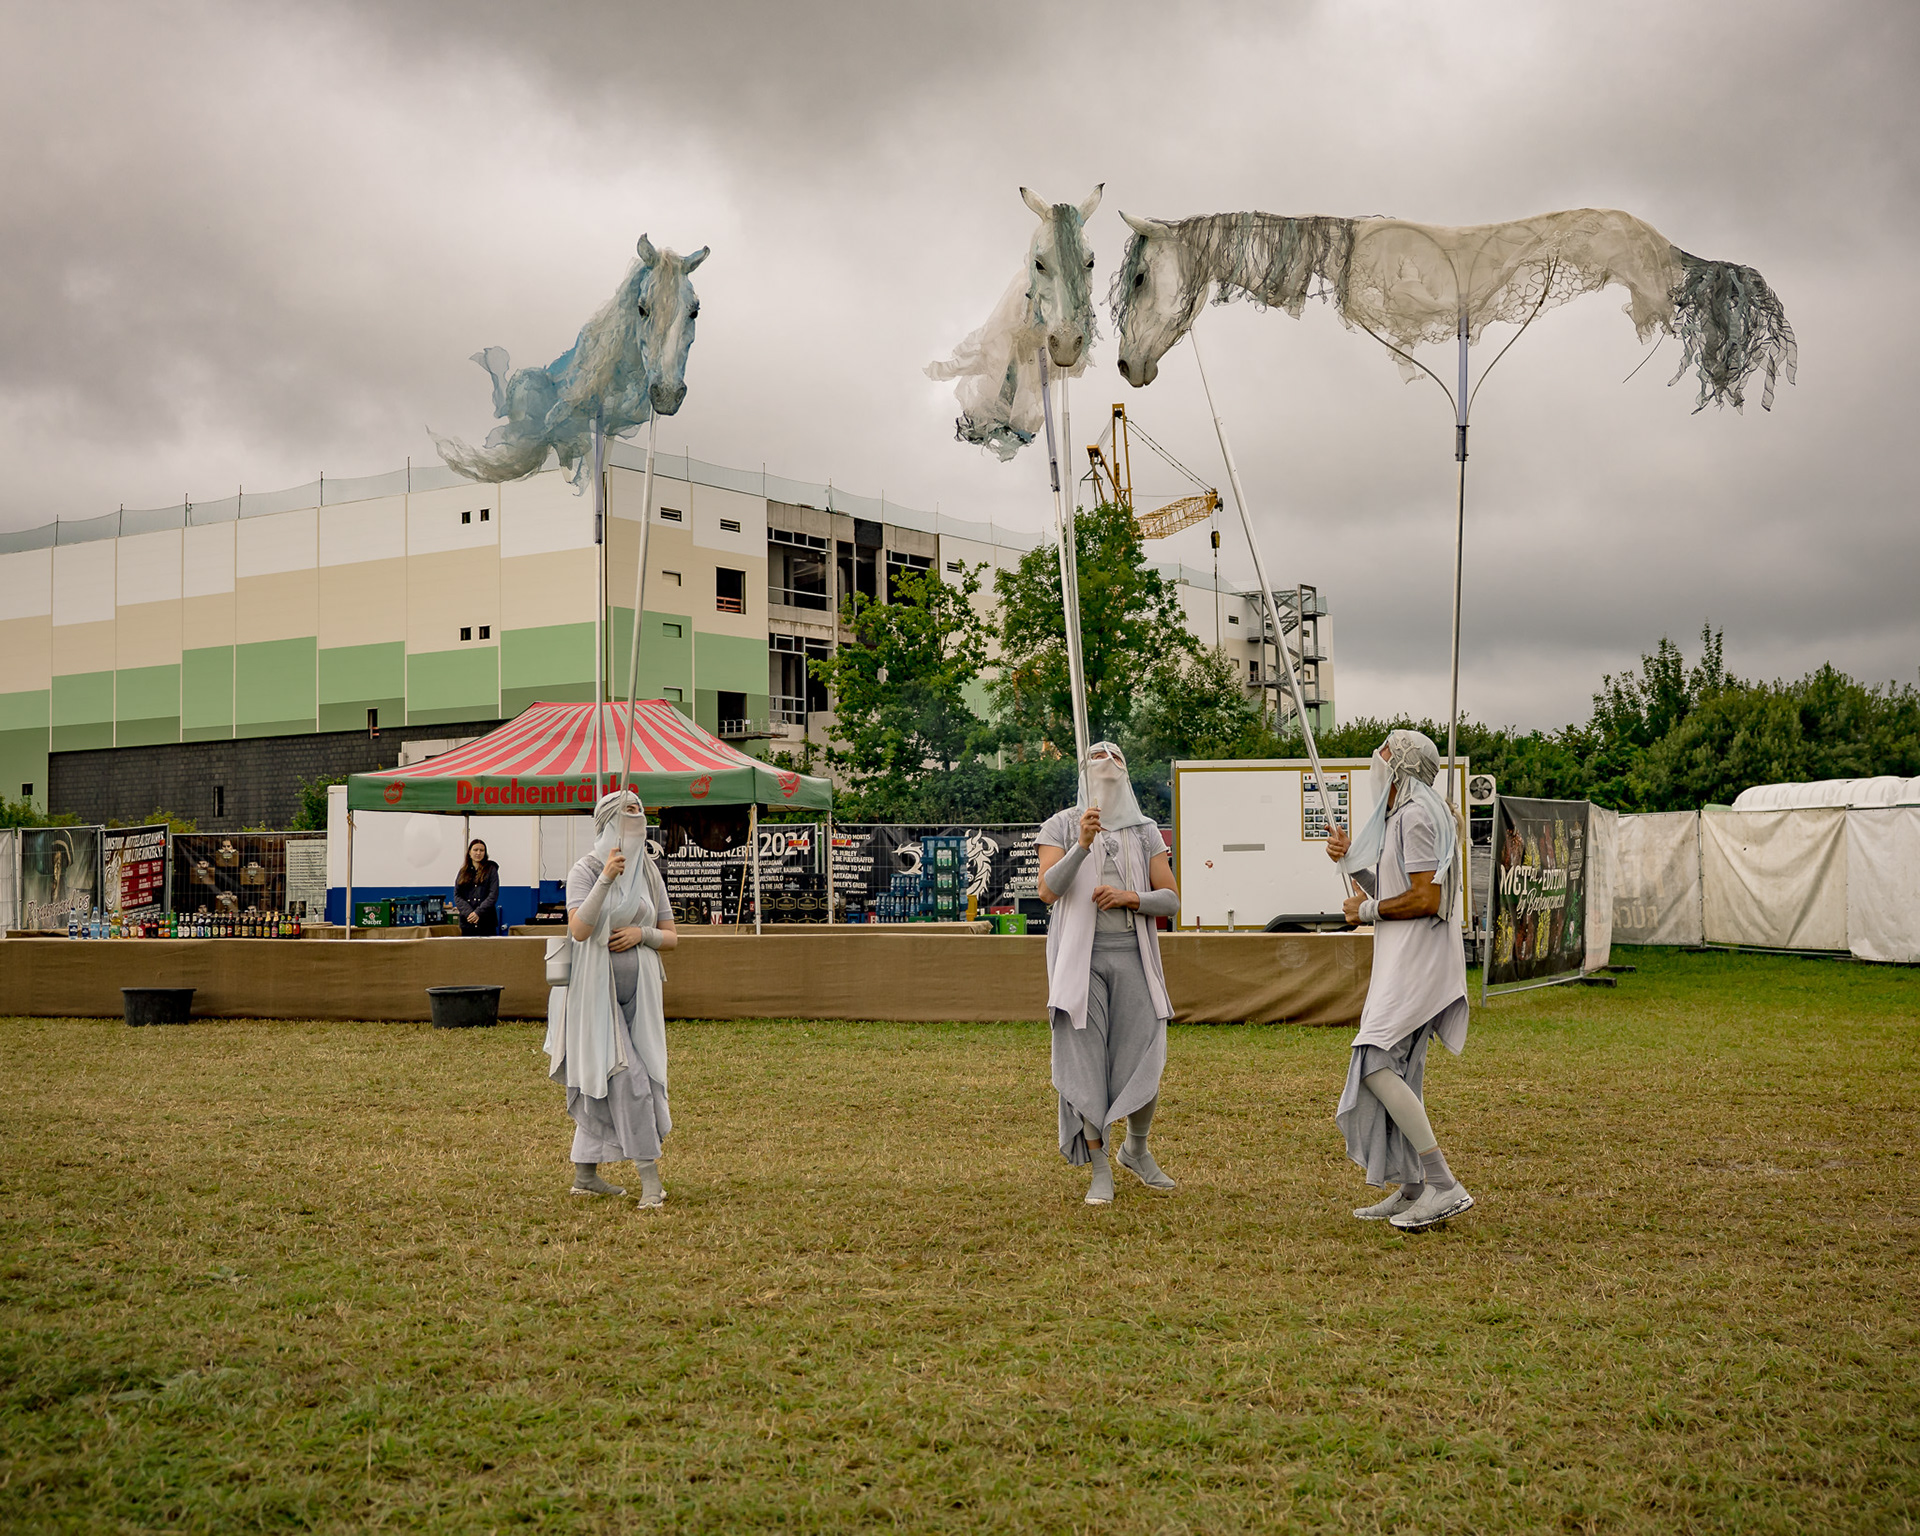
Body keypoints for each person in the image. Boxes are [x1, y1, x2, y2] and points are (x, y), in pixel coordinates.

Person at [1325, 729, 1474, 1232]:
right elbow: (1397, 888)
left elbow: (1426, 898)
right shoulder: (1402, 816)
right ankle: (1413, 1185)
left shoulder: (1415, 816)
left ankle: (1442, 1183)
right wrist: (1352, 863)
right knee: (1400, 1072)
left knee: (1374, 1062)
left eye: (1383, 757)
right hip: (1407, 958)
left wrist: (1366, 911)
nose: (1376, 763)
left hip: (1418, 962)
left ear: (1400, 769)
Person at [1035, 741, 1181, 1205]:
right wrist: (1080, 845)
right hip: (1081, 961)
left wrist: (1130, 898)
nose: (1107, 765)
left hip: (1133, 957)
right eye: (1096, 760)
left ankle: (1136, 1148)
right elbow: (1047, 891)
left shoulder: (1145, 831)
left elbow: (1171, 899)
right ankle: (1100, 1168)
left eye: (1115, 761)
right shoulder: (1062, 824)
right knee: (1086, 1062)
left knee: (1143, 1056)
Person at [543, 789, 678, 1206]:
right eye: (626, 812)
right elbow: (579, 930)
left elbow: (671, 936)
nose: (635, 818)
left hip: (642, 993)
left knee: (625, 1075)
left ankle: (585, 1175)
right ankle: (650, 1180)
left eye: (639, 811)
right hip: (593, 993)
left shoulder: (649, 872)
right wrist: (605, 878)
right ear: (605, 822)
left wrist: (643, 934)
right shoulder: (585, 869)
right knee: (626, 1077)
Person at [452, 839, 500, 936]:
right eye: (475, 850)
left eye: (481, 850)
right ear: (469, 852)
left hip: (487, 922)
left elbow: (493, 895)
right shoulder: (463, 872)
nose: (478, 853)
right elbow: (457, 895)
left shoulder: (491, 870)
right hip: (467, 922)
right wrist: (469, 913)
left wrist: (478, 912)